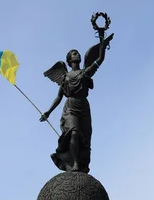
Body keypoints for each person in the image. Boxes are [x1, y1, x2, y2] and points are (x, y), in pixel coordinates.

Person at [40, 34, 108, 173]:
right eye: (74, 53)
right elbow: (59, 97)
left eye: (77, 53)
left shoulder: (85, 72)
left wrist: (101, 40)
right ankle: (75, 164)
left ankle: (81, 162)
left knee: (85, 139)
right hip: (70, 107)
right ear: (70, 59)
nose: (77, 54)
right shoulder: (65, 77)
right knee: (74, 133)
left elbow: (100, 59)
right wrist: (48, 112)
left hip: (83, 107)